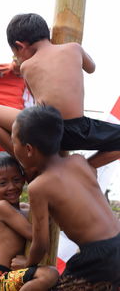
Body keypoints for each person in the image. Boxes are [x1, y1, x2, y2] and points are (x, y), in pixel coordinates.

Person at [0, 13, 120, 170]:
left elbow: (37, 104)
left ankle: (26, 162)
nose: (18, 59)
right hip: (80, 129)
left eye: (16, 54)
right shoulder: (74, 48)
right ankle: (85, 167)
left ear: (20, 46)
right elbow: (91, 68)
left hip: (45, 129)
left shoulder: (27, 66)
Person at [10, 104, 120, 289]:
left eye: (13, 142)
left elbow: (41, 242)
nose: (12, 147)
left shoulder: (39, 187)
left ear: (28, 149)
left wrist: (27, 265)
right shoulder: (79, 162)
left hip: (97, 258)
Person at [0, 151, 58, 291]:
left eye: (16, 180)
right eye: (3, 183)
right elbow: (36, 235)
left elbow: (50, 220)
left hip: (13, 275)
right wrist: (28, 264)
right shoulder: (1, 208)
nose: (11, 187)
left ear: (24, 179)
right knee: (50, 274)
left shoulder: (26, 209)